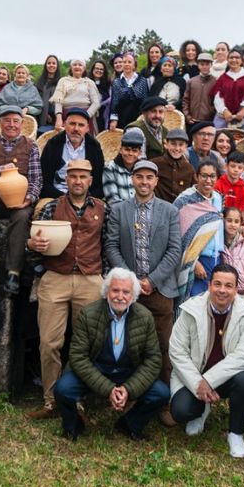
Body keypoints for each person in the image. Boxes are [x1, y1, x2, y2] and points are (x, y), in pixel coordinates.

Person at [26, 159, 106, 420]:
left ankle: (76, 399)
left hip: (90, 279)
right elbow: (33, 241)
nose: (78, 181)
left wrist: (103, 276)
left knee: (85, 344)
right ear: (66, 179)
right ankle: (50, 401)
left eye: (83, 176)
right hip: (56, 277)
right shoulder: (51, 207)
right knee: (49, 343)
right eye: (73, 176)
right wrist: (32, 243)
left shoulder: (104, 209)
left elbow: (109, 244)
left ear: (91, 180)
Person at [52, 268, 170, 441]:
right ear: (106, 292)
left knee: (161, 393)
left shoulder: (145, 317)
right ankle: (73, 425)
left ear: (133, 296)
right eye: (115, 290)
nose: (120, 296)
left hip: (128, 373)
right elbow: (78, 357)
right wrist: (108, 389)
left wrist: (128, 389)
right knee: (62, 389)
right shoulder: (88, 314)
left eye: (126, 292)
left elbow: (153, 359)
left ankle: (130, 425)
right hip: (95, 371)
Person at [105, 160, 183, 398]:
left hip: (160, 290)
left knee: (163, 345)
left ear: (156, 181)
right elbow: (111, 245)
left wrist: (152, 280)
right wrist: (131, 282)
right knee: (128, 344)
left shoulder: (169, 211)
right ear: (132, 180)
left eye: (149, 177)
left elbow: (174, 250)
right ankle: (128, 394)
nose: (144, 182)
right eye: (140, 177)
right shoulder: (119, 210)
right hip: (127, 293)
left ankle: (165, 397)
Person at [169, 264, 244, 457]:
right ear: (209, 285)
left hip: (227, 377)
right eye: (217, 284)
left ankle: (235, 433)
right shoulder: (190, 309)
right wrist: (198, 382)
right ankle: (201, 408)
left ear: (236, 289)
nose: (222, 290)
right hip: (195, 375)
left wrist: (209, 381)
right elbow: (177, 352)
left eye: (229, 286)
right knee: (180, 411)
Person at [0, 106, 42, 296]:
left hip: (19, 201)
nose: (11, 124)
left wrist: (29, 199)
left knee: (21, 218)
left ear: (21, 124)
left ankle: (13, 273)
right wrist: (1, 169)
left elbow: (36, 180)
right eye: (7, 120)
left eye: (15, 121)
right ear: (0, 123)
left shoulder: (31, 145)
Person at [174, 159, 224, 299]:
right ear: (197, 177)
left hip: (216, 259)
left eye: (212, 176)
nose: (208, 180)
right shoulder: (185, 200)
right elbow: (178, 235)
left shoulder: (218, 198)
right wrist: (194, 263)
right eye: (204, 176)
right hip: (196, 261)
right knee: (194, 302)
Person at [39, 108, 104, 200]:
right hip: (54, 196)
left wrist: (82, 199)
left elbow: (98, 185)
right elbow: (43, 182)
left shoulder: (94, 147)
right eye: (72, 124)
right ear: (65, 125)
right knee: (41, 210)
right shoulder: (53, 144)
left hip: (85, 198)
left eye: (81, 125)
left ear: (87, 128)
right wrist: (65, 199)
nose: (76, 129)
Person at [211, 48, 244, 128]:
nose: (234, 60)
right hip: (225, 116)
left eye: (237, 57)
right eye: (231, 57)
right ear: (227, 60)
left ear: (242, 60)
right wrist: (224, 110)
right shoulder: (223, 78)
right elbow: (218, 97)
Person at [51, 58, 100, 130]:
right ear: (71, 68)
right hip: (67, 115)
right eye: (74, 65)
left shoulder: (89, 82)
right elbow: (58, 101)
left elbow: (96, 103)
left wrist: (85, 116)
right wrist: (59, 118)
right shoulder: (63, 81)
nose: (77, 67)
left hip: (86, 114)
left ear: (84, 68)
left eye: (80, 65)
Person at [102, 128, 144, 207]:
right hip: (118, 214)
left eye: (134, 151)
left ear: (139, 153)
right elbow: (112, 201)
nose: (130, 153)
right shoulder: (110, 168)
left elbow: (146, 197)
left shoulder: (142, 169)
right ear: (120, 150)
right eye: (127, 150)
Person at [152, 128, 194, 203]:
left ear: (186, 147)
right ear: (166, 144)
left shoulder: (189, 169)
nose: (177, 148)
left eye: (181, 145)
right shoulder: (154, 164)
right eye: (173, 144)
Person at [109, 53, 148, 131]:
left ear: (134, 65)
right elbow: (114, 102)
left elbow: (145, 100)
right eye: (124, 62)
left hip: (139, 118)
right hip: (122, 118)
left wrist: (145, 116)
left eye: (129, 62)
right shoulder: (117, 82)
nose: (127, 64)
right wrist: (114, 120)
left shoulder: (142, 80)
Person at [182, 52, 217, 126]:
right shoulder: (191, 81)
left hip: (208, 121)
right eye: (202, 64)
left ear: (211, 65)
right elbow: (185, 100)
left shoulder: (215, 82)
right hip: (192, 121)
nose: (204, 67)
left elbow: (217, 102)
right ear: (198, 65)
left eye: (207, 64)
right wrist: (188, 116)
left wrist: (211, 112)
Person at [36, 54, 62, 127]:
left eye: (54, 63)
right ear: (46, 65)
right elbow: (37, 99)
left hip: (57, 117)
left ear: (57, 66)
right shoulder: (40, 82)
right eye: (49, 63)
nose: (51, 65)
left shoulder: (61, 82)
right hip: (42, 116)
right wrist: (45, 114)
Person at [89, 59, 114, 131]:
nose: (99, 71)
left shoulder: (108, 83)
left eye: (101, 69)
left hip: (103, 116)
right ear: (93, 69)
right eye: (96, 68)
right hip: (90, 114)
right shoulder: (87, 82)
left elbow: (111, 98)